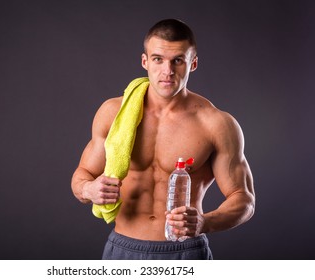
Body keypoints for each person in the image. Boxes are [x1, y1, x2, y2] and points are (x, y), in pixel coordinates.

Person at [71, 19, 255, 260]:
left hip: (185, 251)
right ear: (145, 61)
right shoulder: (113, 113)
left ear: (193, 63)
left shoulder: (216, 123)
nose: (167, 71)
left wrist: (204, 222)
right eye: (158, 59)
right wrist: (89, 188)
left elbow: (244, 200)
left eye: (178, 60)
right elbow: (82, 173)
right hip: (123, 250)